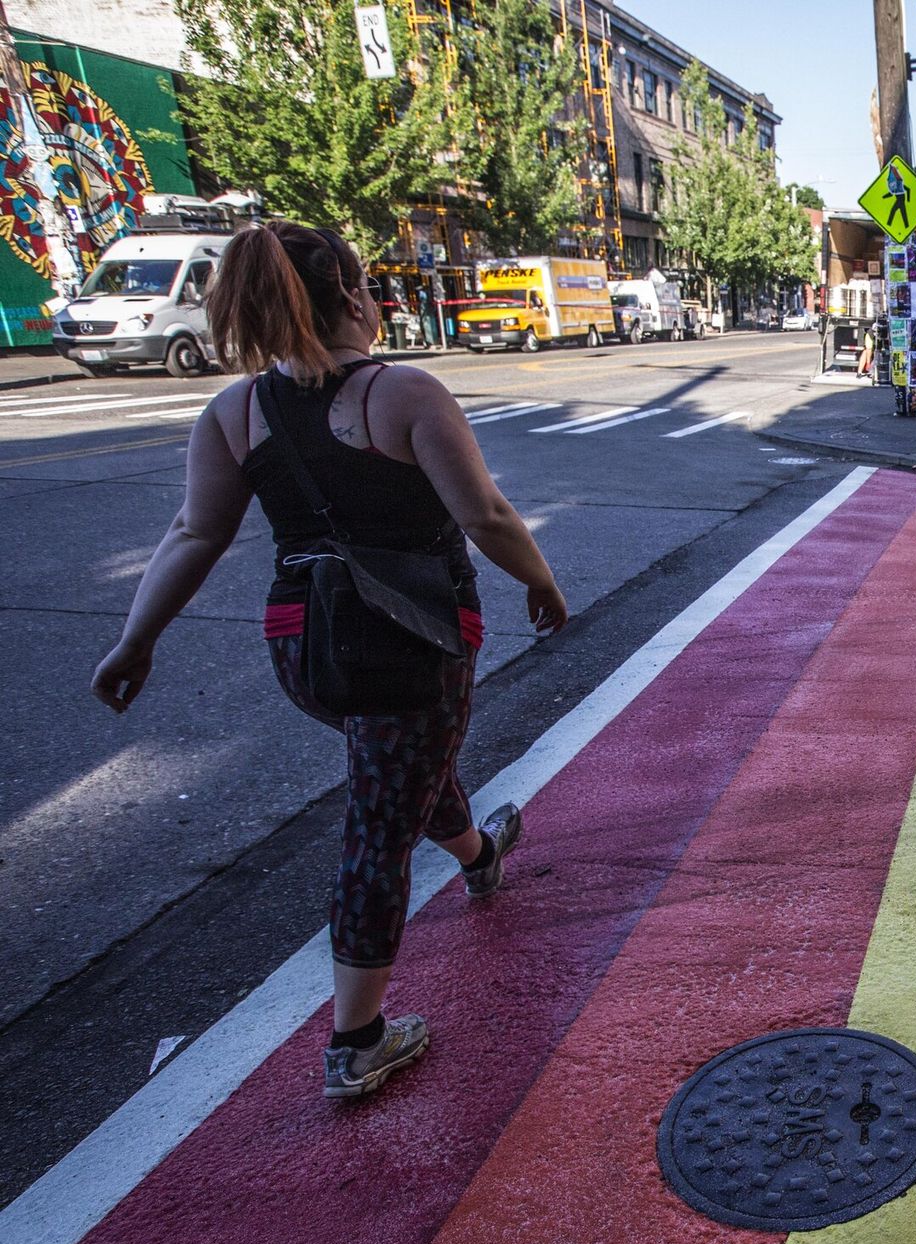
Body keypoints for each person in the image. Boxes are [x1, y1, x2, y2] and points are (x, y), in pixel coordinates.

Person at [89, 221, 569, 1100]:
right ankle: (357, 1040)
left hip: (305, 647)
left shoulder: (236, 412)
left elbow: (194, 532)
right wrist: (540, 583)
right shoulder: (404, 395)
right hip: (415, 639)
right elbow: (486, 516)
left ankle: (477, 856)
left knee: (401, 764)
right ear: (352, 294)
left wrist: (135, 639)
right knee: (380, 819)